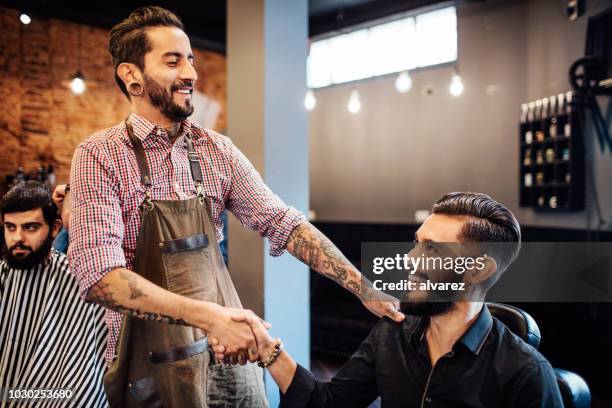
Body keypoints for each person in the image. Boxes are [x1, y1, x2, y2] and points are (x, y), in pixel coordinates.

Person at [68, 6, 403, 407]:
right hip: (149, 364)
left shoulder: (216, 150)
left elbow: (283, 223)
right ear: (131, 76)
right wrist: (212, 318)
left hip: (228, 354)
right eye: (172, 61)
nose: (191, 73)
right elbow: (100, 277)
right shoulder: (99, 155)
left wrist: (361, 286)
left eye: (190, 59)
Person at [213, 192, 564, 407]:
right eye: (417, 242)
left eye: (432, 249)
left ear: (476, 271)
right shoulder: (392, 334)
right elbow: (328, 404)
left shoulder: (526, 376)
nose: (410, 258)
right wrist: (268, 350)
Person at [0, 181, 108, 407]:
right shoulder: (3, 275)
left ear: (56, 227)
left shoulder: (78, 279)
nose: (17, 238)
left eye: (30, 227)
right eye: (10, 227)